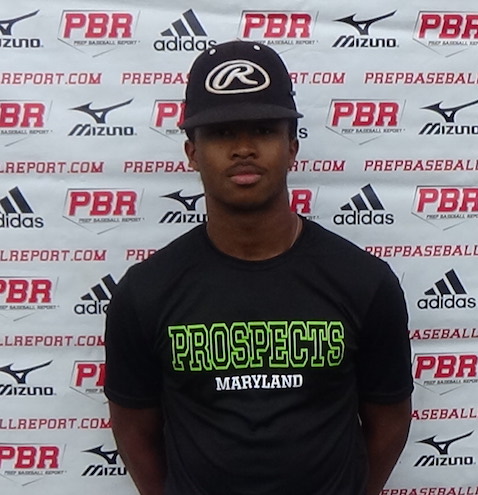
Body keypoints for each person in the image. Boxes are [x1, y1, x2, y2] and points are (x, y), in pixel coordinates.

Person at [104, 40, 413, 495]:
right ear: (192, 152)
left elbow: (389, 421)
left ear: (292, 147)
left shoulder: (365, 282)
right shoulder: (145, 292)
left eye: (264, 131)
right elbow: (134, 432)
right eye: (222, 133)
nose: (243, 149)